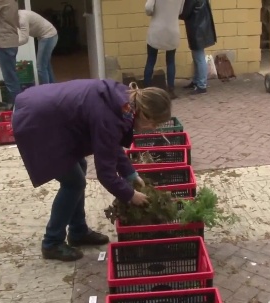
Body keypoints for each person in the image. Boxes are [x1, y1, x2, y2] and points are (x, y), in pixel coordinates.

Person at [11, 80, 172, 261]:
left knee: (80, 167)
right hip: (37, 121)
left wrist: (130, 174)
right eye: (155, 124)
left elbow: (111, 144)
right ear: (146, 114)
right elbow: (105, 173)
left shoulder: (125, 102)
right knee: (73, 183)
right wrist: (130, 194)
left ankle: (78, 231)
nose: (154, 129)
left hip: (50, 117)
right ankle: (52, 243)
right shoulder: (113, 115)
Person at [144, 0, 185, 99]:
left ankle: (147, 90)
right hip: (172, 30)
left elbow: (148, 8)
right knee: (170, 61)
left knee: (151, 60)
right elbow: (180, 11)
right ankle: (170, 89)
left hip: (156, 29)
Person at [180, 0, 217, 95]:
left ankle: (201, 85)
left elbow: (185, 13)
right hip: (200, 28)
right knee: (197, 56)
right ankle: (196, 81)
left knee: (199, 58)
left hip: (196, 29)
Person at [17, 10, 59, 84]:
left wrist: (10, 44)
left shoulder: (22, 18)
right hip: (47, 35)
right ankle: (54, 89)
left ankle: (46, 92)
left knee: (41, 67)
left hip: (48, 36)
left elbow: (24, 38)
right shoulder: (16, 16)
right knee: (46, 65)